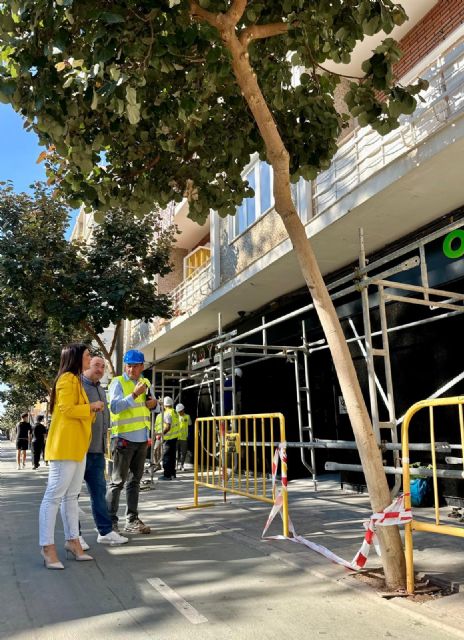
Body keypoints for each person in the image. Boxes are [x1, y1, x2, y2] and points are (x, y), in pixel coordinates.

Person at [38, 343, 104, 569]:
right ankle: (47, 547)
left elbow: (79, 412)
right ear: (76, 357)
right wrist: (92, 406)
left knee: (71, 496)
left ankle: (73, 541)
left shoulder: (75, 380)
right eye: (87, 355)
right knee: (54, 496)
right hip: (64, 447)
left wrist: (91, 410)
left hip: (77, 448)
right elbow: (67, 409)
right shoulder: (66, 379)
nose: (90, 358)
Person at [107, 349, 158, 534]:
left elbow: (153, 404)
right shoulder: (117, 382)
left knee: (135, 481)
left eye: (135, 366)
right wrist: (134, 395)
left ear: (142, 367)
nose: (131, 370)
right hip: (123, 439)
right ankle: (110, 523)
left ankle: (132, 520)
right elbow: (114, 406)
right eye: (129, 366)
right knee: (116, 482)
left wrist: (155, 404)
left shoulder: (145, 382)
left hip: (142, 439)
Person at [81, 356, 129, 548]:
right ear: (86, 366)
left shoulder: (100, 388)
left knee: (99, 492)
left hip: (98, 450)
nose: (100, 369)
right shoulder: (78, 386)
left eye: (103, 366)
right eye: (96, 365)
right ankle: (75, 536)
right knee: (72, 496)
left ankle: (105, 531)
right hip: (80, 450)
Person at [155, 396, 179, 481]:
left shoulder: (167, 413)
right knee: (172, 457)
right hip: (174, 437)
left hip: (168, 438)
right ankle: (172, 473)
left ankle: (167, 475)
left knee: (166, 457)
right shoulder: (174, 412)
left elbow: (168, 427)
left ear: (164, 405)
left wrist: (161, 434)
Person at [176, 404, 191, 471]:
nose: (179, 412)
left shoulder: (187, 416)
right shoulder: (176, 417)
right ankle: (174, 465)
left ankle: (181, 465)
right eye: (178, 411)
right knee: (174, 451)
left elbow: (190, 424)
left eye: (180, 411)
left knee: (183, 452)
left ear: (183, 410)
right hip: (176, 437)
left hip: (184, 437)